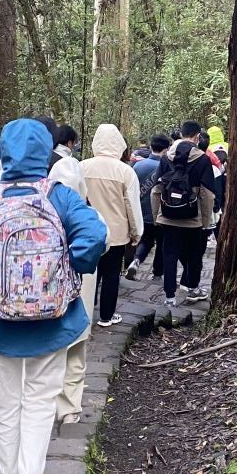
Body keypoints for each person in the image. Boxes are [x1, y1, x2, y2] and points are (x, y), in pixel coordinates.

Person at [0, 118, 106, 474]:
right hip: (52, 321)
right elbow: (94, 234)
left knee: (4, 399)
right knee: (39, 400)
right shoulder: (58, 195)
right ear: (45, 152)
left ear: (4, 153)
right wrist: (67, 267)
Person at [48, 149, 96, 425]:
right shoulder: (89, 216)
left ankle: (46, 405)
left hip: (48, 302)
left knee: (47, 356)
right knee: (76, 355)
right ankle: (69, 410)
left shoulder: (42, 214)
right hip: (80, 302)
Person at [80, 124, 143, 327]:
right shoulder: (125, 171)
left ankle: (85, 313)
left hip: (87, 230)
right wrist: (136, 232)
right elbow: (132, 205)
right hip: (116, 233)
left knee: (88, 274)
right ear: (119, 144)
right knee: (112, 274)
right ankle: (106, 316)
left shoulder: (82, 167)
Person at [155, 119, 217, 311]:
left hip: (168, 215)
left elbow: (156, 189)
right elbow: (207, 194)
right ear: (198, 137)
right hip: (192, 217)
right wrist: (205, 221)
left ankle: (169, 297)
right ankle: (193, 288)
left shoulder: (166, 158)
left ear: (181, 134)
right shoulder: (203, 159)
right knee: (194, 255)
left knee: (169, 255)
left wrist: (158, 215)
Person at [125, 134, 169, 280]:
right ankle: (157, 273)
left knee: (145, 241)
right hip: (160, 212)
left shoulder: (138, 166)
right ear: (166, 149)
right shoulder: (166, 166)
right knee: (162, 244)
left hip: (141, 212)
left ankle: (136, 261)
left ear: (151, 147)